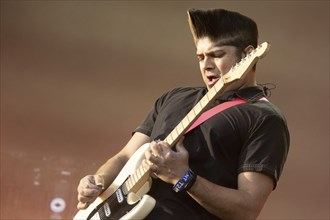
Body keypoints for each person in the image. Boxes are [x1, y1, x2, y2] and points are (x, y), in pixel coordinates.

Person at [76, 8, 290, 219]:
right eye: (200, 57)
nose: (206, 65)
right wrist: (99, 180)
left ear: (248, 54)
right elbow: (125, 156)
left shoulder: (265, 118)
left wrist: (183, 177)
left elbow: (247, 209)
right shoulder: (175, 97)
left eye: (217, 55)